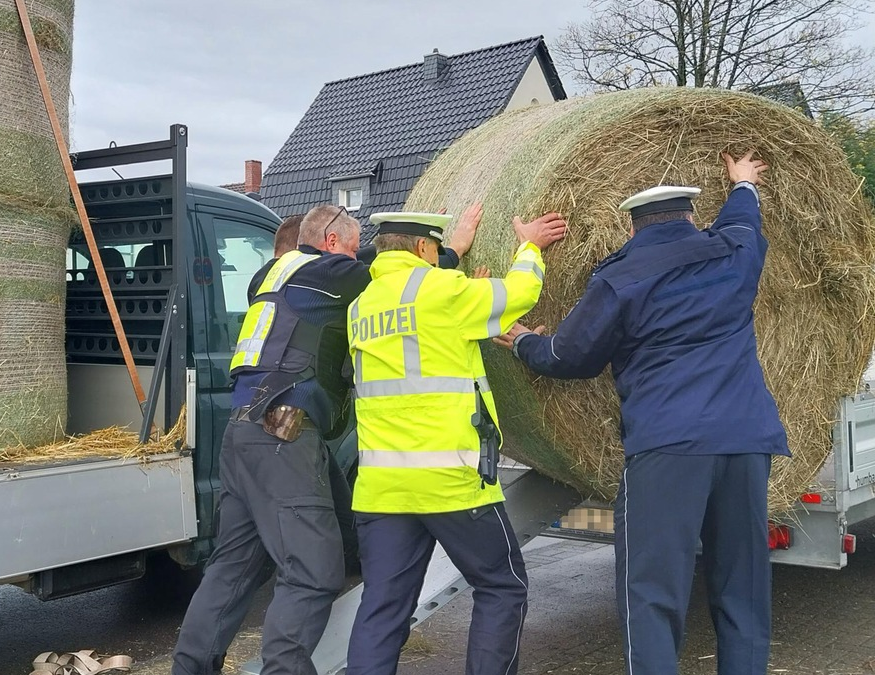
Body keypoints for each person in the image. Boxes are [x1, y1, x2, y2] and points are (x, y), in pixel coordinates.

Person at [493, 151, 787, 675]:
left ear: (632, 224)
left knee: (651, 592)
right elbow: (745, 218)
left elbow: (570, 357)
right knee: (742, 589)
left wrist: (522, 343)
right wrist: (742, 183)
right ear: (692, 217)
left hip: (668, 448)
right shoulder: (733, 252)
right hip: (746, 442)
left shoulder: (620, 277)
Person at [172, 203, 485, 675]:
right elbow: (397, 282)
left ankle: (189, 668)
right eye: (356, 246)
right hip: (282, 434)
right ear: (334, 244)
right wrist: (450, 252)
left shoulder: (270, 276)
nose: (360, 256)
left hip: (244, 434)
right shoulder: (328, 274)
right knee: (313, 572)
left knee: (233, 568)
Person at [345, 208, 567, 675]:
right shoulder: (442, 290)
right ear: (425, 247)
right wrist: (529, 246)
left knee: (383, 607)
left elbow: (428, 349)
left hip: (382, 488)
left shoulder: (361, 307)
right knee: (501, 586)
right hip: (450, 480)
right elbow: (522, 292)